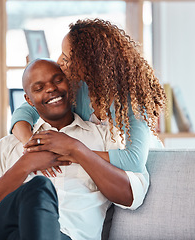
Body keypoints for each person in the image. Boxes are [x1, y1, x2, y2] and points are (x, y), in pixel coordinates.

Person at [0, 59, 149, 240]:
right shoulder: (10, 145)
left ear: (70, 85)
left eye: (58, 80)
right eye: (39, 88)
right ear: (28, 99)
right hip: (7, 232)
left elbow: (132, 196)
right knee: (37, 189)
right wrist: (24, 166)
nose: (51, 88)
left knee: (40, 189)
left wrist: (76, 149)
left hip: (68, 236)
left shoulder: (105, 138)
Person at [11, 18, 166, 178]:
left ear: (90, 65)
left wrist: (74, 152)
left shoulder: (131, 100)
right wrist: (32, 147)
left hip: (149, 173)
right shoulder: (78, 88)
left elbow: (134, 161)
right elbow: (24, 113)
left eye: (66, 58)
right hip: (101, 174)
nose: (58, 61)